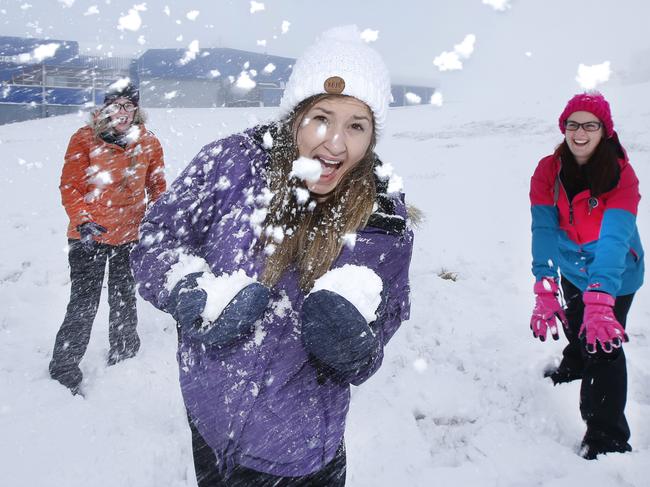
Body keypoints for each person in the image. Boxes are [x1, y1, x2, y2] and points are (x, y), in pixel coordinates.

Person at [130, 26, 413, 486]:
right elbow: (157, 238)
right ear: (296, 115)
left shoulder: (381, 213)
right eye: (322, 117)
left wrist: (361, 346)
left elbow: (390, 307)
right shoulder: (230, 163)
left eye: (356, 125)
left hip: (301, 452)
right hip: (209, 416)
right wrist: (185, 286)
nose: (336, 143)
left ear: (371, 136)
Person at [529, 92, 643, 459]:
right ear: (564, 128)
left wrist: (601, 297)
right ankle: (574, 363)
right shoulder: (548, 170)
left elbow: (614, 237)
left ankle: (607, 437)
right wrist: (545, 282)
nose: (580, 133)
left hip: (617, 274)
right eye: (573, 124)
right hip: (570, 264)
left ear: (604, 131)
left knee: (602, 343)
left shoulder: (622, 175)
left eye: (589, 125)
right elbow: (544, 228)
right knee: (577, 319)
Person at [49, 79, 167, 395]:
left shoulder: (149, 142)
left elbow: (157, 187)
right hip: (89, 235)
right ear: (104, 108)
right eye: (116, 105)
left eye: (129, 105)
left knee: (124, 296)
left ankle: (125, 353)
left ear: (136, 110)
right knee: (84, 302)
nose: (123, 112)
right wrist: (82, 219)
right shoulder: (85, 139)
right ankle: (64, 367)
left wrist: (158, 218)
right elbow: (70, 186)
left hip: (129, 235)